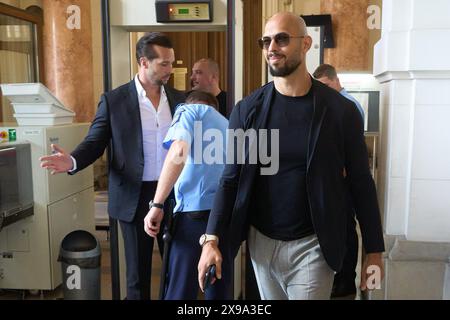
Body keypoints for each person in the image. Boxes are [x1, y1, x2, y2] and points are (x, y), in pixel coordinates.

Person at [197, 12, 385, 300]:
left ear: (306, 43)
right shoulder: (247, 110)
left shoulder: (339, 112)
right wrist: (211, 239)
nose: (272, 47)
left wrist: (374, 250)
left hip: (313, 244)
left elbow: (361, 181)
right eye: (266, 41)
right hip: (261, 244)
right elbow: (230, 179)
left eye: (282, 39)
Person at [39, 32, 185, 300]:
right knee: (137, 275)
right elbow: (95, 142)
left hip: (175, 195)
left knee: (176, 270)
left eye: (171, 62)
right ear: (143, 62)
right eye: (164, 63)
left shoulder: (180, 99)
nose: (170, 69)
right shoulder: (114, 100)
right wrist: (72, 160)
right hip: (133, 196)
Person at [144, 90, 232, 300]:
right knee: (217, 289)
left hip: (193, 218)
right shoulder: (229, 126)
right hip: (223, 220)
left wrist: (157, 204)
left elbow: (178, 152)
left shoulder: (190, 111)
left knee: (180, 291)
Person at [313, 63, 364, 299]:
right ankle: (340, 277)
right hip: (334, 177)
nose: (322, 90)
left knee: (346, 228)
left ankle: (345, 280)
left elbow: (350, 148)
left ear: (334, 81)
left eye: (325, 85)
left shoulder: (348, 105)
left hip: (343, 177)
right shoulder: (335, 104)